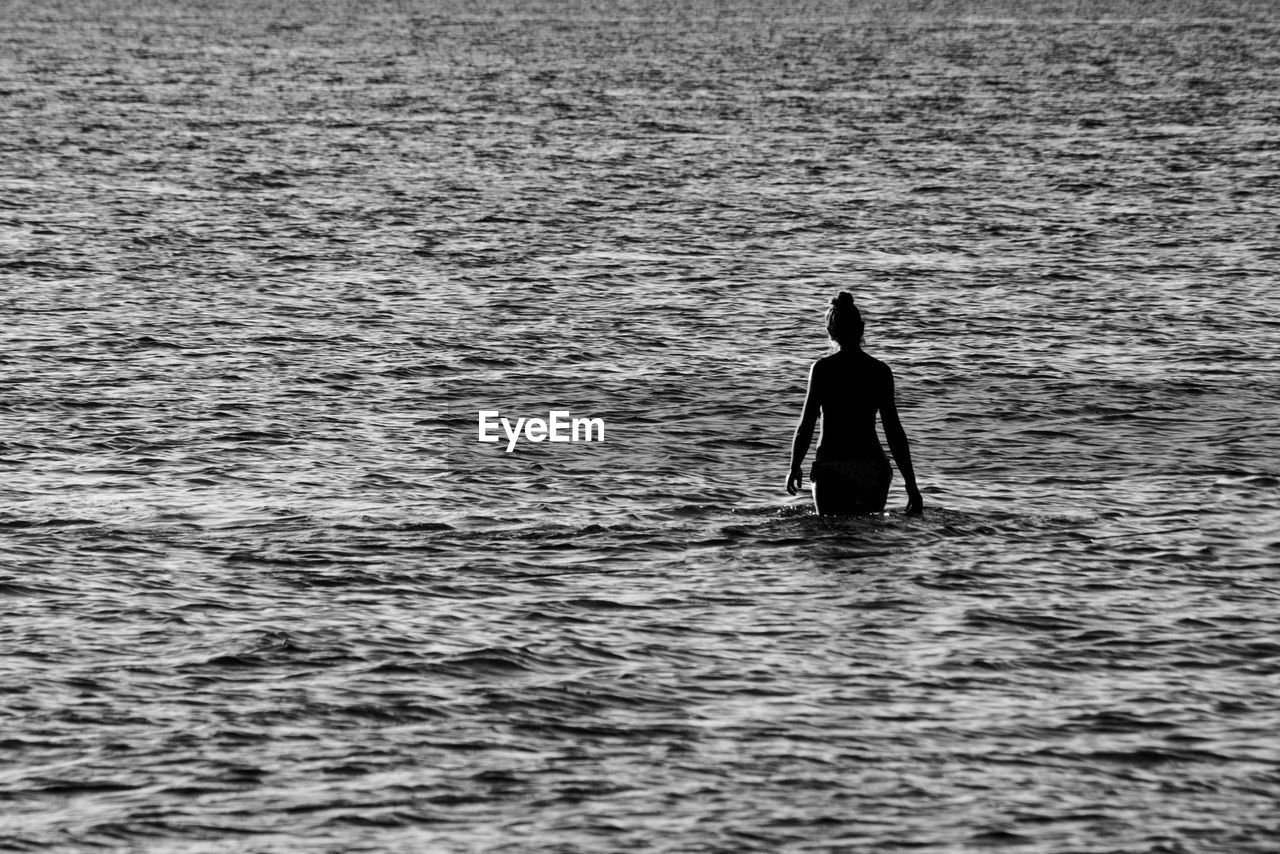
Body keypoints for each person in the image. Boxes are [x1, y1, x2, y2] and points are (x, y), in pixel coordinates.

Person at [787, 292, 924, 516]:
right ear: (861, 329)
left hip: (832, 468)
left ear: (830, 332)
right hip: (872, 469)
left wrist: (794, 466)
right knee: (869, 540)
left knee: (831, 537)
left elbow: (806, 425)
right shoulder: (880, 371)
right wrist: (911, 484)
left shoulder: (822, 370)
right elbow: (894, 432)